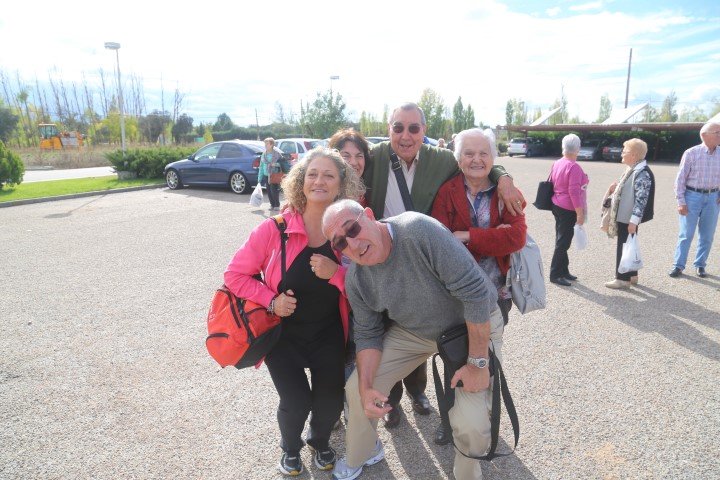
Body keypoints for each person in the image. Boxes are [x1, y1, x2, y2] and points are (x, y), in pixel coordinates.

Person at [363, 102, 524, 429]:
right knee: (393, 334)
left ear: (424, 131)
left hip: (462, 279)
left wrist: (503, 179)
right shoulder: (374, 157)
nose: (406, 135)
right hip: (392, 265)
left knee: (452, 344)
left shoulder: (441, 159)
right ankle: (393, 402)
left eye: (414, 128)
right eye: (398, 127)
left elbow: (479, 164)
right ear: (389, 128)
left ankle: (443, 407)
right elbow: (340, 160)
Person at [321, 200, 504, 480]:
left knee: (472, 423)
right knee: (357, 390)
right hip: (416, 330)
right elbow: (368, 333)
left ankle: (467, 474)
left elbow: (476, 294)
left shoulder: (419, 231)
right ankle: (362, 453)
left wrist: (478, 364)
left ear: (369, 215)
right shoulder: (357, 279)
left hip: (470, 323)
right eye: (341, 243)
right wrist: (367, 387)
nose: (353, 244)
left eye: (353, 229)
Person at [224, 148, 364, 476]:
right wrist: (271, 300)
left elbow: (367, 288)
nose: (319, 181)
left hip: (329, 333)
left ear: (341, 184)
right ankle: (289, 448)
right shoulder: (275, 229)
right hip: (283, 335)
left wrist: (337, 273)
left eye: (329, 175)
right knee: (296, 401)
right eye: (312, 174)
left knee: (329, 401)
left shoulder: (348, 232)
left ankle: (320, 441)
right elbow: (234, 275)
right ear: (301, 181)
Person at [430, 127, 527, 445]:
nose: (476, 159)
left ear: (493, 158)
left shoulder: (506, 192)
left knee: (489, 357)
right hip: (455, 295)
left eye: (484, 153)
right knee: (454, 355)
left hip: (496, 293)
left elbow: (516, 237)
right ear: (458, 158)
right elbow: (441, 242)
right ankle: (450, 420)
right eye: (469, 153)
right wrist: (493, 237)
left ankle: (486, 416)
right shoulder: (446, 192)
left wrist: (467, 236)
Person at [668, 121, 720, 278]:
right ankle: (678, 266)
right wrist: (681, 202)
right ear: (704, 135)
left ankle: (700, 265)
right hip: (692, 197)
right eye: (717, 132)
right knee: (686, 234)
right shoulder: (691, 153)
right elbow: (680, 180)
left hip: (713, 198)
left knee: (707, 236)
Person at [603, 138, 655, 289]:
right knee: (629, 244)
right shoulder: (633, 169)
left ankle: (622, 279)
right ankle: (632, 275)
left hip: (629, 218)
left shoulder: (641, 172)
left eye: (624, 151)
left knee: (624, 246)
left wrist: (634, 221)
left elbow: (641, 200)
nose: (622, 153)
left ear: (633, 155)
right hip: (626, 216)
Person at [548, 133, 588, 286]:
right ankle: (555, 274)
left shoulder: (557, 163)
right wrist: (580, 213)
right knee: (563, 242)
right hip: (568, 208)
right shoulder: (574, 167)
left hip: (557, 204)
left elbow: (552, 182)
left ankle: (564, 270)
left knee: (561, 238)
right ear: (577, 149)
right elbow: (574, 192)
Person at [258, 137, 291, 211]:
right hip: (266, 175)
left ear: (272, 144)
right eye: (265, 144)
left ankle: (276, 205)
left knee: (274, 190)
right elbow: (261, 166)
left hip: (274, 175)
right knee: (269, 191)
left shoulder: (277, 154)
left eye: (267, 144)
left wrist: (275, 164)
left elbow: (282, 164)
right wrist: (259, 178)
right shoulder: (263, 154)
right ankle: (272, 204)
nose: (265, 145)